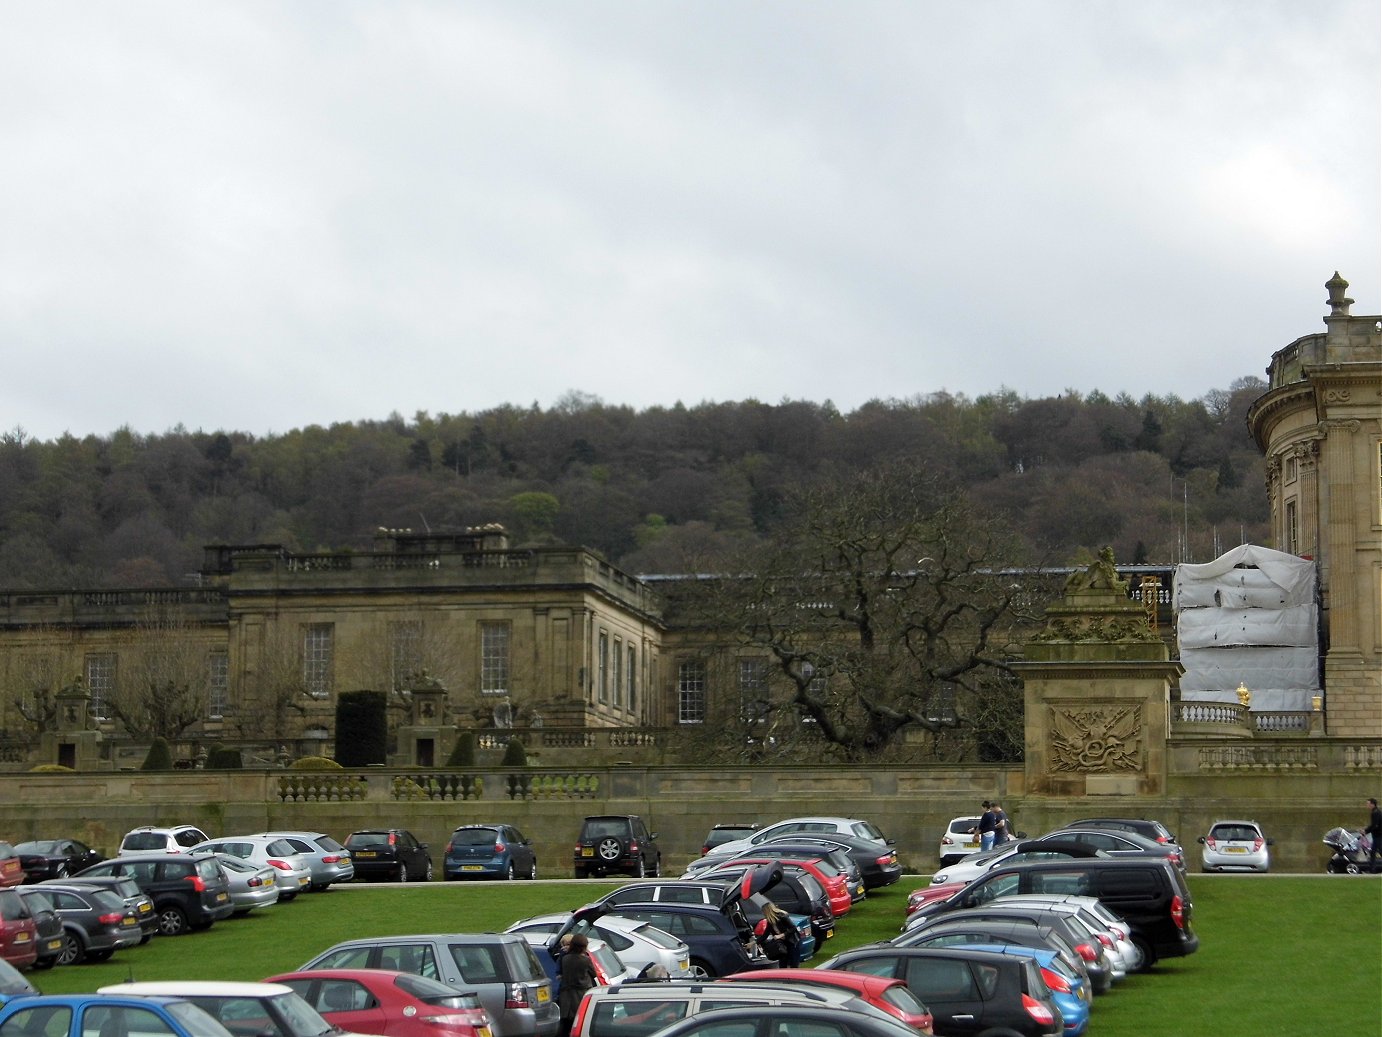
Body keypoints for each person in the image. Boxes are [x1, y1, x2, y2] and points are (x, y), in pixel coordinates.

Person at [557, 933, 597, 1037]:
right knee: (580, 1022)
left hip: (566, 995)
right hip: (580, 995)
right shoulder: (585, 960)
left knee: (565, 1025)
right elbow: (594, 973)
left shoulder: (565, 959)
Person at [756, 901, 800, 968]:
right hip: (782, 945)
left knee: (794, 964)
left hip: (792, 942)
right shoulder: (770, 922)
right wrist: (754, 943)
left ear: (767, 911)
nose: (763, 914)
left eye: (764, 912)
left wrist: (781, 935)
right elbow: (765, 935)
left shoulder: (782, 917)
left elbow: (793, 928)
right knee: (782, 964)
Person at [1367, 797, 1382, 869]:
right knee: (1372, 853)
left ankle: (1372, 869)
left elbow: (1375, 825)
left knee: (1378, 851)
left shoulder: (1375, 813)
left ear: (1373, 804)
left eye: (1368, 804)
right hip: (1377, 835)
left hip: (1378, 836)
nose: (1367, 806)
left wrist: (1366, 831)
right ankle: (1372, 869)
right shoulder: (1377, 812)